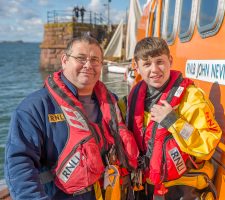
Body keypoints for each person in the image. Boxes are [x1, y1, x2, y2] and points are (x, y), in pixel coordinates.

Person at [5, 35, 139, 199]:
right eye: (81, 58)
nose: (88, 65)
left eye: (95, 60)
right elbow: (19, 164)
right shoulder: (34, 108)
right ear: (64, 60)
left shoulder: (112, 103)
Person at [126, 37, 222, 200]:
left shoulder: (191, 98)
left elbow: (208, 145)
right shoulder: (134, 96)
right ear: (137, 66)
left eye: (160, 62)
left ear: (170, 60)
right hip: (145, 185)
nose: (155, 69)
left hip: (182, 188)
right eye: (147, 64)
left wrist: (173, 121)